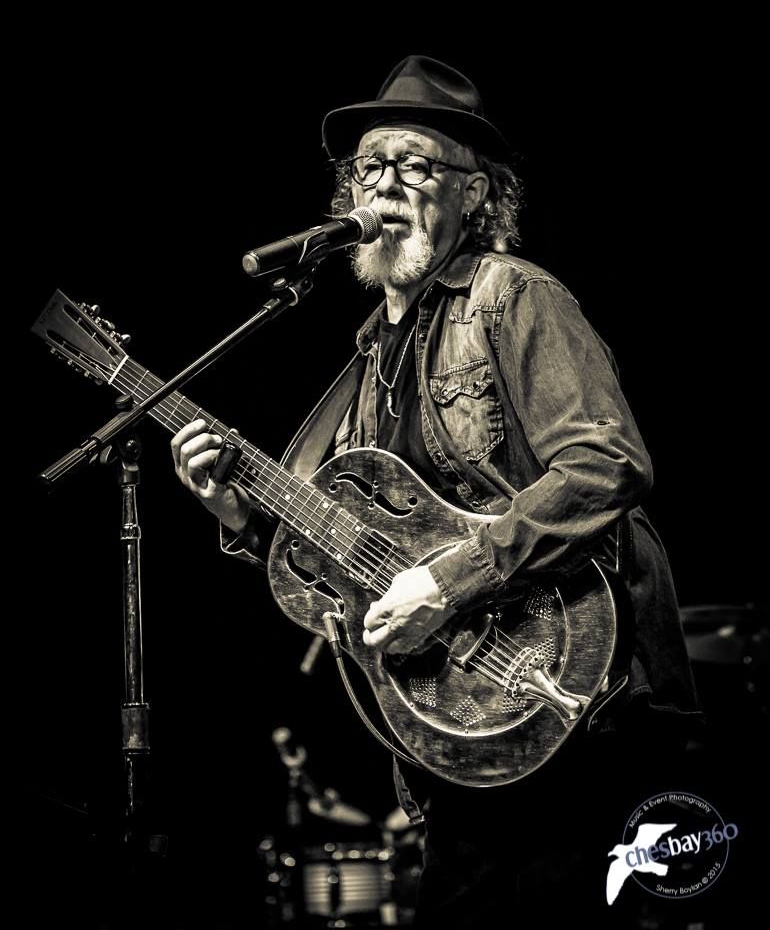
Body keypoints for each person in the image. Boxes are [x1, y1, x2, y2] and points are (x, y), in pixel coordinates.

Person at [170, 56, 701, 926]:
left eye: (414, 166)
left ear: (475, 194)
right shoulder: (368, 359)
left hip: (583, 705)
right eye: (368, 167)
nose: (384, 185)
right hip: (461, 741)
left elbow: (606, 465)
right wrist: (242, 517)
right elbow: (363, 558)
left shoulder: (512, 297)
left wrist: (448, 583)